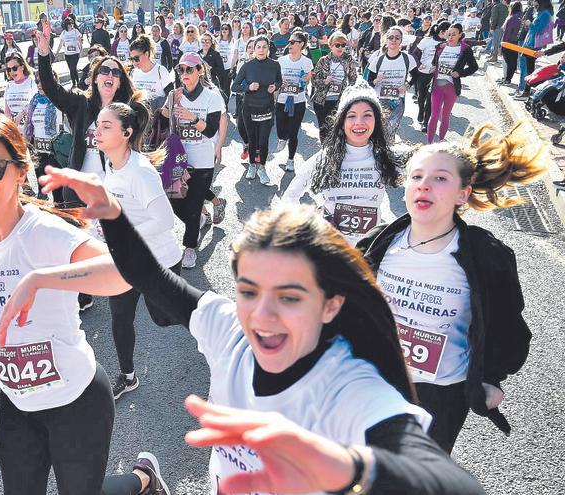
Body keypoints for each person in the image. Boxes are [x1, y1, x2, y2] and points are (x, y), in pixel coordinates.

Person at [36, 166, 487, 495]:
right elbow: (153, 279)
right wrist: (113, 214)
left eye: (289, 297)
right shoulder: (227, 327)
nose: (263, 316)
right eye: (249, 291)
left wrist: (355, 467)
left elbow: (440, 476)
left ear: (330, 305)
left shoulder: (348, 383)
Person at [0, 115, 129, 493]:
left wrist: (42, 278)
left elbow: (124, 272)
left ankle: (143, 478)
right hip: (17, 401)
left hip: (76, 401)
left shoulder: (42, 233)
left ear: (21, 171)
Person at [358, 122, 548, 454]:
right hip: (372, 383)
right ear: (404, 189)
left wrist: (491, 376)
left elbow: (508, 327)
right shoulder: (377, 245)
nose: (424, 186)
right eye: (416, 177)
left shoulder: (486, 256)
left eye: (440, 178)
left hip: (438, 397)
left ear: (463, 193)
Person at [93, 101, 182, 400]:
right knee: (120, 316)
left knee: (164, 318)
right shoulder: (110, 163)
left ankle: (214, 330)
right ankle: (127, 375)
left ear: (127, 133)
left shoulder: (140, 172)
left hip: (160, 260)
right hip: (126, 261)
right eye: (98, 124)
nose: (98, 131)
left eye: (107, 126)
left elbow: (165, 220)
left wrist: (121, 236)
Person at [282, 80, 401, 244]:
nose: (359, 122)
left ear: (377, 120)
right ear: (342, 122)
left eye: (367, 115)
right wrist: (308, 222)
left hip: (368, 251)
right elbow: (289, 198)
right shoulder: (324, 158)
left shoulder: (387, 157)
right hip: (331, 250)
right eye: (351, 116)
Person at [35, 26, 142, 205]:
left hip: (114, 194)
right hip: (79, 193)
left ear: (119, 82)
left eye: (116, 72)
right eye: (105, 71)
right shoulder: (80, 104)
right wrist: (44, 53)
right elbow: (51, 88)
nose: (110, 74)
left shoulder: (128, 111)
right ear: (95, 78)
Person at [160, 53, 225, 269]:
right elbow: (162, 119)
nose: (184, 74)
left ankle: (189, 247)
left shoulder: (213, 96)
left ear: (200, 71)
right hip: (178, 160)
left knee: (195, 203)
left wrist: (192, 117)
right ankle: (200, 218)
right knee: (175, 202)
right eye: (181, 69)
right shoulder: (174, 94)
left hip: (203, 159)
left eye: (189, 69)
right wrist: (171, 104)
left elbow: (211, 131)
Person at [231, 35, 282, 184]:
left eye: (264, 47)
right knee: (252, 140)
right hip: (249, 108)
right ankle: (252, 165)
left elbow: (279, 80)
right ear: (253, 49)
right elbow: (234, 86)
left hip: (266, 108)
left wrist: (276, 87)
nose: (261, 50)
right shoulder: (247, 66)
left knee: (264, 141)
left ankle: (262, 168)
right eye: (258, 47)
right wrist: (248, 87)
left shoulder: (275, 65)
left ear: (268, 48)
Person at [426, 24, 479, 144]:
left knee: (445, 115)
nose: (450, 36)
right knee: (434, 115)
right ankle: (429, 144)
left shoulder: (465, 49)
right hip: (437, 86)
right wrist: (433, 68)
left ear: (460, 35)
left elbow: (474, 67)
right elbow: (435, 63)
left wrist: (460, 73)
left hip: (452, 87)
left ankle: (440, 142)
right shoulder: (440, 46)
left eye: (454, 34)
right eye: (448, 34)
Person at [24, 72, 68, 203]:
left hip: (56, 147)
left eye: (43, 81)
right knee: (40, 176)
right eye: (37, 81)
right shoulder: (34, 100)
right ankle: (43, 199)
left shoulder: (59, 99)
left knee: (56, 181)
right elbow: (30, 122)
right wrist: (27, 138)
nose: (39, 84)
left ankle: (60, 205)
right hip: (38, 145)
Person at [367, 26, 417, 136]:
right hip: (381, 100)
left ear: (401, 40)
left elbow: (416, 76)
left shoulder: (407, 59)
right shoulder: (378, 60)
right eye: (391, 37)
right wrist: (376, 80)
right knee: (379, 131)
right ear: (386, 40)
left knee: (391, 131)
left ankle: (388, 151)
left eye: (397, 37)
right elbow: (369, 82)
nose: (394, 40)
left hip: (398, 101)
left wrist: (407, 85)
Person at [275, 29, 314, 173]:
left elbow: (308, 80)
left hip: (298, 101)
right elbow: (276, 80)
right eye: (289, 42)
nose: (289, 44)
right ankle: (282, 138)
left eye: (292, 42)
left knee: (293, 132)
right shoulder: (281, 60)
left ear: (301, 44)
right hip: (282, 99)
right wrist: (281, 83)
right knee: (281, 130)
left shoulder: (307, 62)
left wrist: (305, 80)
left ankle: (290, 160)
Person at [310, 31, 358, 143]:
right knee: (324, 130)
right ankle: (325, 153)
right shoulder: (323, 61)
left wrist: (350, 93)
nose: (340, 47)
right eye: (337, 45)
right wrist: (325, 81)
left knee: (339, 130)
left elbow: (353, 80)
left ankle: (337, 154)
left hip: (339, 101)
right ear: (331, 46)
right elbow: (314, 81)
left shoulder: (348, 60)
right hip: (322, 101)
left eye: (343, 45)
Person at [415, 21, 449, 133]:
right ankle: (421, 110)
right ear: (442, 32)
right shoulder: (427, 41)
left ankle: (425, 123)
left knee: (430, 99)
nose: (450, 35)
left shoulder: (447, 44)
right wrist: (419, 65)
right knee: (421, 97)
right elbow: (414, 52)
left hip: (436, 75)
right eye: (448, 32)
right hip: (423, 73)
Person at [515, 0, 553, 99]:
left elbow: (539, 30)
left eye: (535, 2)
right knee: (529, 69)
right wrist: (528, 25)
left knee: (530, 70)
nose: (533, 3)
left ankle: (527, 92)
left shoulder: (545, 14)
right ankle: (527, 91)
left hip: (533, 45)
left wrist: (529, 24)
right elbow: (534, 29)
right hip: (530, 43)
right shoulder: (540, 13)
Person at [2, 53, 37, 131]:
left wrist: (22, 113)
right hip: (15, 131)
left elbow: (37, 103)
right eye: (8, 69)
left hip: (32, 130)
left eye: (14, 68)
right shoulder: (9, 85)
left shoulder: (32, 82)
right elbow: (7, 111)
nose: (12, 72)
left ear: (22, 67)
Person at [500, 2, 524, 85]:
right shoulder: (520, 18)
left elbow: (506, 33)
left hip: (508, 43)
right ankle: (507, 79)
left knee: (509, 63)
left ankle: (507, 79)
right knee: (513, 63)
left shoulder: (511, 18)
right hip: (515, 43)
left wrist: (502, 44)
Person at [57, 17, 83, 86]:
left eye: (72, 23)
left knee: (73, 68)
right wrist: (57, 52)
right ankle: (76, 83)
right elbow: (61, 43)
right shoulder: (64, 33)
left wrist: (81, 49)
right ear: (66, 25)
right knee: (72, 69)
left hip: (75, 53)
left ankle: (76, 83)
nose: (71, 25)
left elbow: (79, 40)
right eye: (69, 23)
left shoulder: (75, 31)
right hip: (67, 54)